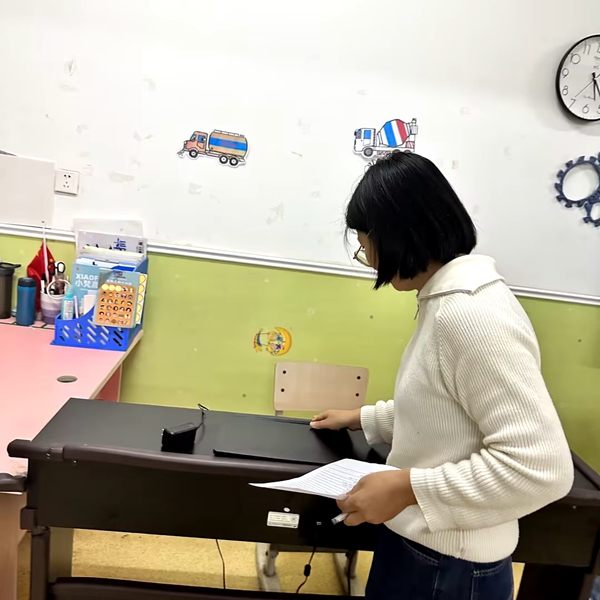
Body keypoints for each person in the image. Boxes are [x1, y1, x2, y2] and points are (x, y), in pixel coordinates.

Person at [311, 151, 574, 600]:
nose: (368, 259)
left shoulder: (469, 314)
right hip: (427, 548)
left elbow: (540, 468)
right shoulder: (445, 301)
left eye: (365, 245)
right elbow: (447, 410)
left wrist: (406, 486)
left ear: (397, 236)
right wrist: (365, 418)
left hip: (448, 567)